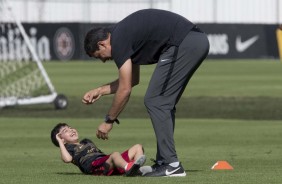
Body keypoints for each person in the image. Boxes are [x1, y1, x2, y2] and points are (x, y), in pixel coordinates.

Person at [83, 9, 210, 177]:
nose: (104, 60)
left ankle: (171, 165)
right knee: (162, 103)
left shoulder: (119, 40)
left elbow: (125, 88)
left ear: (102, 44)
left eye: (99, 56)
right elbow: (132, 80)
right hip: (191, 41)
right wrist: (101, 90)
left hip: (184, 42)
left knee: (156, 101)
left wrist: (109, 120)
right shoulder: (123, 36)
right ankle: (164, 162)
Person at [50, 123, 146, 176]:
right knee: (115, 154)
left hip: (106, 162)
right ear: (62, 139)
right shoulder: (68, 148)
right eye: (65, 131)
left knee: (138, 147)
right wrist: (60, 142)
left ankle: (135, 170)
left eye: (70, 128)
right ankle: (129, 168)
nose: (71, 130)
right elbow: (67, 159)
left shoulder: (86, 141)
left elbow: (100, 154)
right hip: (94, 167)